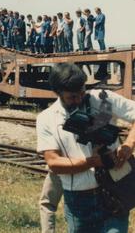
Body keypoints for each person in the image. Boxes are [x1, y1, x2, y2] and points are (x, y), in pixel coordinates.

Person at [37, 63, 135, 232]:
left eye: (82, 93)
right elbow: (53, 162)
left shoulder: (102, 99)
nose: (80, 99)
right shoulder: (47, 119)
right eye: (72, 97)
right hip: (79, 203)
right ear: (58, 93)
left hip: (113, 193)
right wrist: (93, 162)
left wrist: (128, 145)